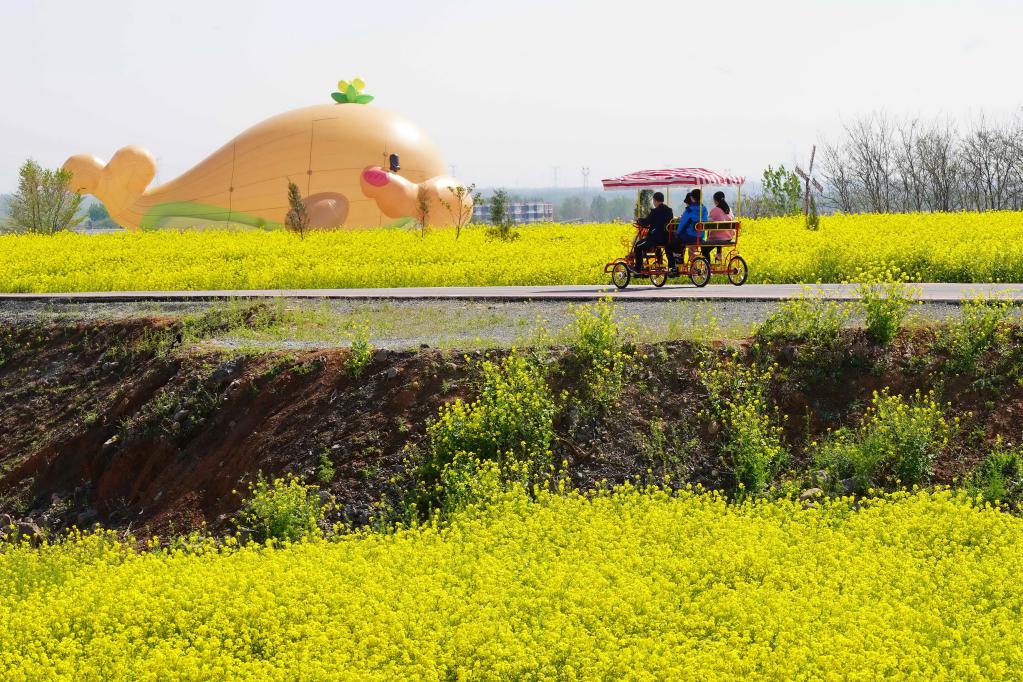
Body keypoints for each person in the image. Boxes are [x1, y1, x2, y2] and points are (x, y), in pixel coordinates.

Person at [632, 191, 675, 274]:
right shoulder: (669, 211)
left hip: (655, 239)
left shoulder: (655, 212)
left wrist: (638, 220)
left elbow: (646, 222)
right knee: (657, 247)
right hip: (666, 238)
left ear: (655, 200)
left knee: (637, 246)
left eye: (653, 201)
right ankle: (659, 262)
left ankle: (638, 268)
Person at [675, 188, 708, 260]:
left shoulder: (689, 210)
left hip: (691, 236)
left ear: (692, 198)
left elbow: (682, 224)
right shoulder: (704, 208)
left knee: (675, 242)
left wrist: (677, 233)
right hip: (701, 237)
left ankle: (679, 262)